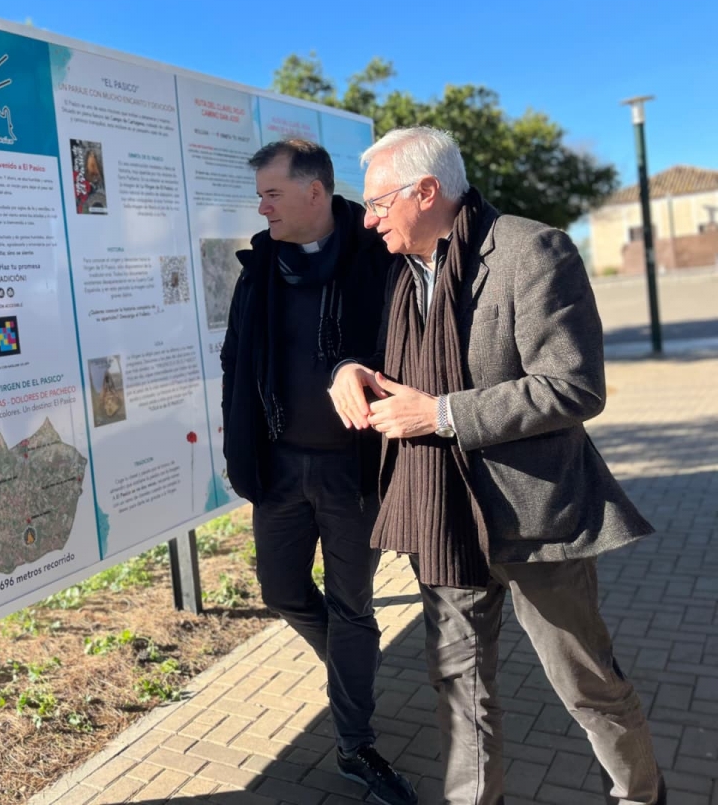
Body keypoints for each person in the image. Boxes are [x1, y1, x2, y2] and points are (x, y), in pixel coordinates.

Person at [329, 126, 664, 805]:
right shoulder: (398, 271)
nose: (367, 219)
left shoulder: (531, 251)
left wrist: (441, 414)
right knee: (459, 687)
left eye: (378, 202)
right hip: (440, 514)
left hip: (534, 519)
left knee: (586, 684)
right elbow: (370, 351)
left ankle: (640, 794)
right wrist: (347, 368)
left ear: (427, 191)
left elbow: (573, 386)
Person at [221, 138, 416, 805]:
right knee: (281, 591)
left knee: (352, 605)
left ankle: (355, 745)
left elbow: (411, 353)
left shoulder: (378, 260)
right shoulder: (260, 269)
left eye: (272, 193)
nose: (262, 206)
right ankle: (350, 663)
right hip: (278, 469)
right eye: (261, 195)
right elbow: (236, 361)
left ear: (314, 192)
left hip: (353, 473)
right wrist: (240, 441)